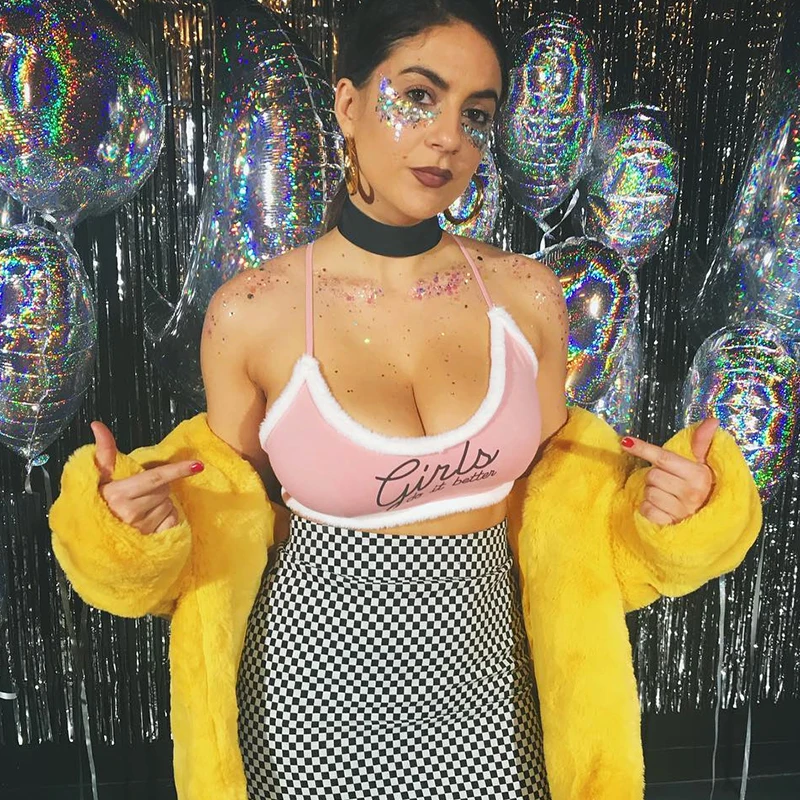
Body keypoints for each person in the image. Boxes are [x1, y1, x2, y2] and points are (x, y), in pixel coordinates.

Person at [48, 1, 763, 799]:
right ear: (349, 104)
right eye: (419, 96)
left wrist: (660, 515)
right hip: (310, 706)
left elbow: (560, 503)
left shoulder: (526, 296)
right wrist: (140, 530)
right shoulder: (253, 312)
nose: (449, 136)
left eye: (476, 114)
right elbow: (233, 511)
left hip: (493, 698)